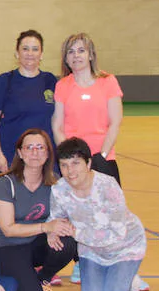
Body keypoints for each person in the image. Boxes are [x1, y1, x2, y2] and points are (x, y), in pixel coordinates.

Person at [48, 138, 147, 291]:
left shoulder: (107, 186)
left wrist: (76, 233)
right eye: (64, 165)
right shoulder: (59, 189)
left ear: (88, 163)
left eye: (75, 163)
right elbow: (56, 217)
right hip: (91, 251)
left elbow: (117, 233)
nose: (70, 171)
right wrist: (52, 230)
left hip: (124, 247)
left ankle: (129, 278)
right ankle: (112, 277)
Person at [0, 129, 77, 291]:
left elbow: (64, 217)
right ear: (20, 153)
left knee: (68, 241)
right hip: (7, 246)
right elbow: (8, 229)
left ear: (47, 153)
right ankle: (3, 274)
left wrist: (55, 229)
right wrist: (46, 227)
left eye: (40, 147)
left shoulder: (55, 183)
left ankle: (43, 277)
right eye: (29, 148)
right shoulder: (6, 183)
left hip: (35, 242)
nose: (35, 153)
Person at [52, 32, 124, 186]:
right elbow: (57, 126)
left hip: (103, 158)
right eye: (70, 52)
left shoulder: (108, 81)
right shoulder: (62, 85)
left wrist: (102, 156)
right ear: (65, 59)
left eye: (81, 51)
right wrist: (70, 158)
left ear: (91, 55)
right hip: (74, 163)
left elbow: (115, 122)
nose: (76, 56)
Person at [0, 29, 56, 175]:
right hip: (11, 156)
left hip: (43, 159)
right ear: (17, 53)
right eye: (25, 49)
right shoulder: (5, 81)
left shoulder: (50, 81)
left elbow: (58, 121)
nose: (30, 53)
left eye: (35, 49)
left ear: (42, 54)